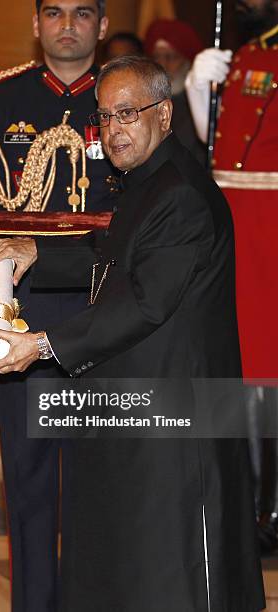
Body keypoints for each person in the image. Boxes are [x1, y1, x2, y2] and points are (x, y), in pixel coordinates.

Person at [0, 56, 265, 612]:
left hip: (178, 428)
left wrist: (40, 344)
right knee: (127, 568)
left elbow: (143, 301)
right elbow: (112, 254)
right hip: (140, 413)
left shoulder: (180, 193)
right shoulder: (147, 180)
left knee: (171, 573)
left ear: (164, 113)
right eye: (105, 117)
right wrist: (38, 250)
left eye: (127, 113)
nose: (114, 130)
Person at [0, 1, 116, 610]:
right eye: (53, 12)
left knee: (98, 479)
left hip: (102, 311)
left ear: (102, 26)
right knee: (28, 481)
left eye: (83, 13)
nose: (67, 25)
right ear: (35, 24)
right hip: (23, 309)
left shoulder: (125, 97)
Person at [185, 0, 278, 550]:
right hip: (234, 222)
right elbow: (220, 148)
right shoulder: (244, 52)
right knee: (241, 361)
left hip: (271, 221)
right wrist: (198, 93)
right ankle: (245, 501)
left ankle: (271, 505)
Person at [144, 18, 206, 164]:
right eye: (156, 57)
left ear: (187, 62)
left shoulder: (196, 104)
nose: (162, 64)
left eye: (171, 57)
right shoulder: (143, 101)